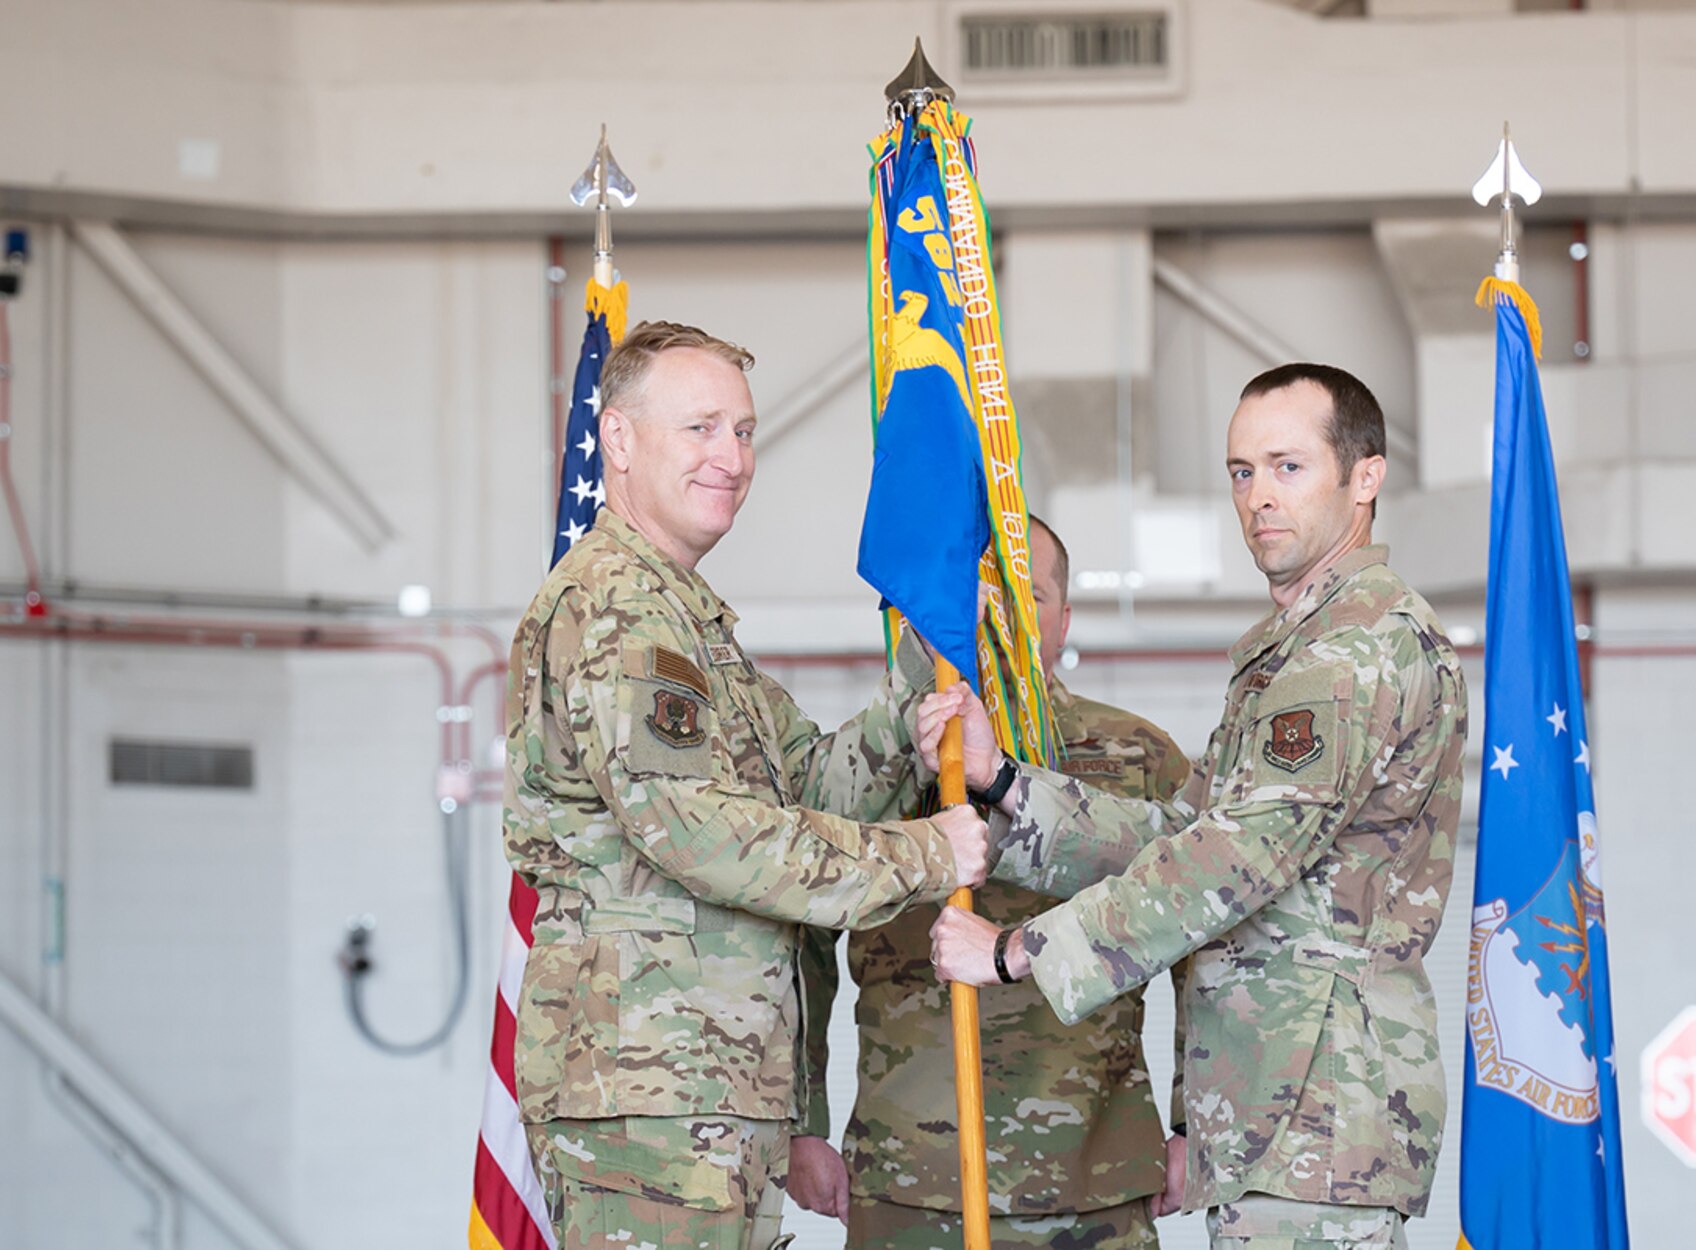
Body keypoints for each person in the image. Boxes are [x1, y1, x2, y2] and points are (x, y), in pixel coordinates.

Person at [927, 364, 1468, 1250]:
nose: (1259, 496)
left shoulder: (1354, 653)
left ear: (1364, 477)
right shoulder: (1296, 651)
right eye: (1242, 471)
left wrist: (1020, 950)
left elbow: (1229, 864)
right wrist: (1004, 785)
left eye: (1289, 467)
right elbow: (1180, 835)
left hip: (1317, 1116)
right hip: (1279, 1113)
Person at [503, 320, 990, 1250]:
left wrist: (906, 718)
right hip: (646, 1089)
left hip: (710, 1082)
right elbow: (702, 834)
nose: (731, 456)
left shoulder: (687, 620)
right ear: (618, 441)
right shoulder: (616, 606)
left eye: (745, 430)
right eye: (700, 429)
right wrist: (927, 854)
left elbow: (803, 783)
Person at [789, 515, 1194, 1249]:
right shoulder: (874, 761)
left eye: (1027, 596)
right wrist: (802, 1120)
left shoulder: (1138, 756)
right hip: (911, 1181)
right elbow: (802, 931)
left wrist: (1196, 1121)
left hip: (1095, 1179)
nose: (999, 618)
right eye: (977, 596)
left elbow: (1203, 937)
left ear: (1065, 620)